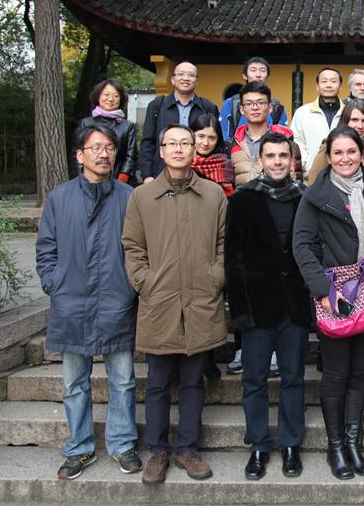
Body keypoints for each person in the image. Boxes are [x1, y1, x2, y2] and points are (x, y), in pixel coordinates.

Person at [292, 126, 364, 480]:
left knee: (361, 374)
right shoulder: (315, 196)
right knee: (337, 375)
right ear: (329, 156)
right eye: (338, 153)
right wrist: (323, 289)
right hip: (334, 294)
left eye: (351, 152)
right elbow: (302, 247)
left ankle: (354, 444)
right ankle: (336, 446)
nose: (345, 159)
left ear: (362, 153)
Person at [122, 124, 228, 484]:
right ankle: (158, 450)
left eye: (186, 142)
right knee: (157, 381)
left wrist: (216, 276)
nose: (180, 148)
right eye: (172, 143)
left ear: (195, 149)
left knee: (193, 381)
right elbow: (132, 246)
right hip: (160, 299)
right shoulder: (143, 196)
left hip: (201, 297)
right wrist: (145, 282)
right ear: (162, 151)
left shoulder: (213, 195)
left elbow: (223, 242)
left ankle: (187, 448)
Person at [37, 124, 140, 480]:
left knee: (123, 379)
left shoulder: (129, 197)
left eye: (110, 148)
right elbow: (45, 249)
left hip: (117, 299)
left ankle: (123, 444)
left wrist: (131, 287)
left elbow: (141, 249)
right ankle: (79, 448)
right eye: (95, 148)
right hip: (71, 303)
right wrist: (55, 284)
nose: (104, 154)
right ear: (79, 155)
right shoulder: (59, 198)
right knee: (74, 383)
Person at [226, 133, 311, 480]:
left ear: (292, 161)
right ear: (259, 160)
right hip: (256, 307)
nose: (277, 161)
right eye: (270, 155)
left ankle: (291, 444)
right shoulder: (243, 200)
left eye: (283, 155)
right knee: (254, 380)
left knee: (293, 378)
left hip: (294, 306)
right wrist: (239, 311)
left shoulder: (304, 199)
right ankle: (259, 445)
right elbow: (233, 257)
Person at [139, 61, 219, 183]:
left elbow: (215, 141)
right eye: (181, 74)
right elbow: (147, 142)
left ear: (196, 81)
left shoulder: (208, 107)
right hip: (162, 173)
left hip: (199, 175)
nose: (186, 78)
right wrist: (147, 175)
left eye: (191, 75)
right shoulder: (157, 105)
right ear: (172, 79)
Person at [229, 82, 301, 189]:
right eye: (249, 104)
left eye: (260, 102)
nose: (255, 108)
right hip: (241, 202)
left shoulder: (285, 141)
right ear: (242, 110)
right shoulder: (235, 143)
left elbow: (295, 179)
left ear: (270, 107)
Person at [78, 79, 137, 183]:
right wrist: (84, 176)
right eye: (106, 94)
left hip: (119, 181)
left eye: (115, 96)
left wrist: (122, 178)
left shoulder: (128, 126)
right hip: (89, 180)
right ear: (98, 96)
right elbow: (77, 152)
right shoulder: (86, 123)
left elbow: (131, 155)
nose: (110, 99)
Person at [291, 66, 345, 180]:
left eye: (333, 81)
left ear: (340, 86)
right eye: (324, 81)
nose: (328, 85)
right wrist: (307, 163)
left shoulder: (348, 112)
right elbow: (297, 141)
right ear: (317, 86)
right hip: (311, 175)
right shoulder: (303, 112)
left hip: (343, 175)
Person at [308, 99, 364, 185]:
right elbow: (314, 180)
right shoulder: (330, 145)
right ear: (345, 121)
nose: (360, 126)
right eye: (354, 120)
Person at [219, 56, 287, 140]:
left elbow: (283, 138)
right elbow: (225, 136)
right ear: (245, 75)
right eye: (253, 70)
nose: (258, 75)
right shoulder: (231, 104)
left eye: (262, 71)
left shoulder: (277, 107)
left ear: (268, 76)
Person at [190, 113, 235, 197]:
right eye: (201, 136)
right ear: (191, 135)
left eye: (212, 138)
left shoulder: (225, 165)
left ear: (218, 139)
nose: (206, 143)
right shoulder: (182, 162)